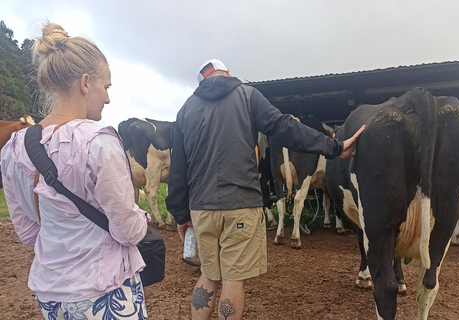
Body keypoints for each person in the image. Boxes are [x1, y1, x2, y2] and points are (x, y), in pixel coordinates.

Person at [166, 59, 365, 320]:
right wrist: (334, 147)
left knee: (208, 275)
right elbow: (286, 128)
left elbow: (178, 170)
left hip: (202, 209)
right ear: (227, 73)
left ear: (202, 80)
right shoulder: (247, 96)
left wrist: (181, 215)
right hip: (240, 206)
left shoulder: (185, 111)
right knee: (233, 279)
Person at [0, 22, 150, 319]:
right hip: (103, 291)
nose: (107, 98)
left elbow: (29, 233)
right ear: (85, 83)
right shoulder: (99, 142)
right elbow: (128, 232)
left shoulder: (13, 149)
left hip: (50, 297)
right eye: (105, 87)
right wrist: (141, 216)